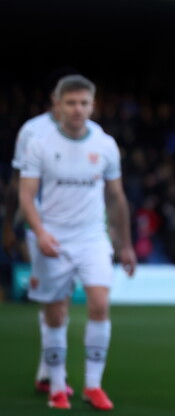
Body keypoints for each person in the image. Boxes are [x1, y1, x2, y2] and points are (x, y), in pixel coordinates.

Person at [18, 75, 137, 410]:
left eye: (84, 103)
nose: (77, 109)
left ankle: (93, 386)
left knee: (99, 304)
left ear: (92, 105)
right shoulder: (39, 144)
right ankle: (57, 386)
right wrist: (40, 232)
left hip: (92, 237)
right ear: (57, 104)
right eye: (70, 103)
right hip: (53, 237)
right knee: (55, 314)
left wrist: (126, 244)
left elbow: (116, 197)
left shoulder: (105, 144)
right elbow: (26, 196)